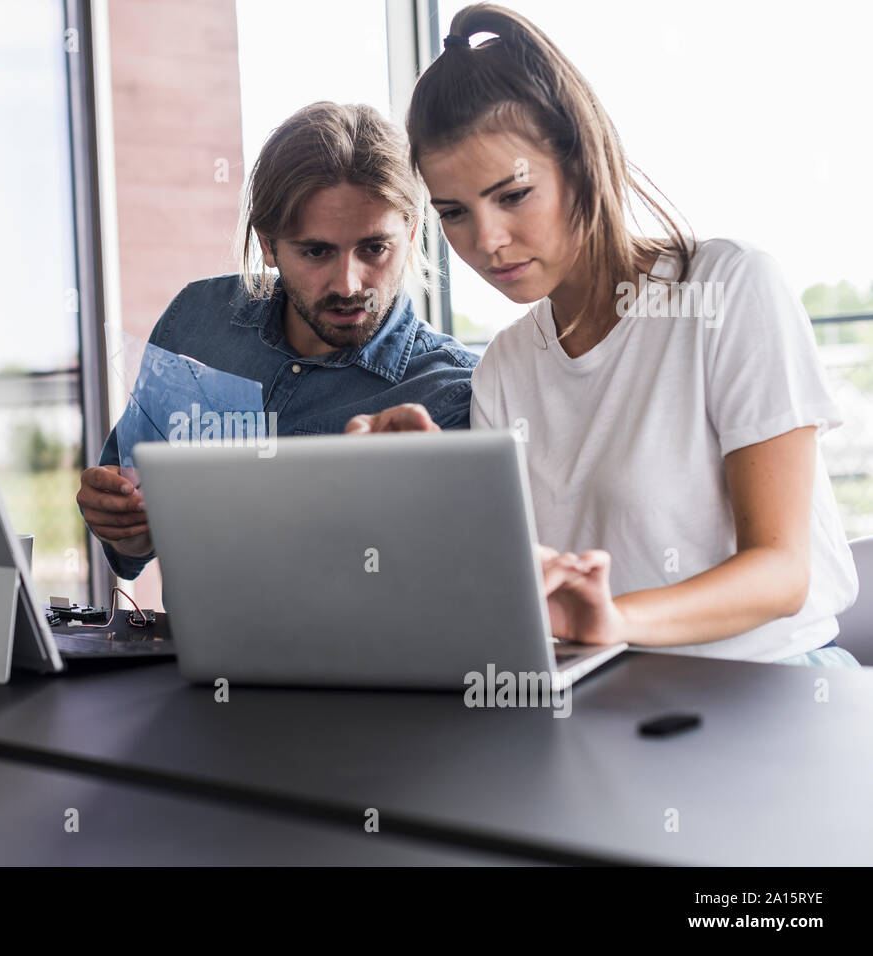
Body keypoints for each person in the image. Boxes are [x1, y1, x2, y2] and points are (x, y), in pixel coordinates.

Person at [348, 3, 859, 666]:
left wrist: (613, 621)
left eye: (512, 195)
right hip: (604, 687)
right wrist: (431, 500)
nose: (487, 241)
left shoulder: (729, 289)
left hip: (771, 685)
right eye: (454, 212)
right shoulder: (505, 364)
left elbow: (782, 574)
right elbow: (530, 580)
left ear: (583, 164)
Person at [79, 101, 479, 580]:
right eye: (316, 251)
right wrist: (124, 524)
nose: (349, 284)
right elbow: (132, 537)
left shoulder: (451, 393)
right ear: (267, 245)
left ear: (411, 234)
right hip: (194, 653)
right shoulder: (198, 320)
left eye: (374, 248)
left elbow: (444, 589)